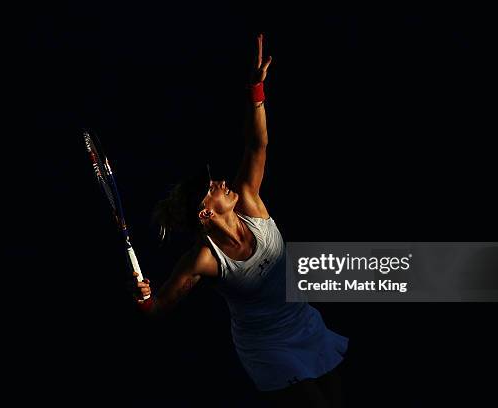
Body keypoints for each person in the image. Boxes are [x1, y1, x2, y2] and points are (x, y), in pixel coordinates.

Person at [133, 34, 348, 407]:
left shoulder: (248, 199)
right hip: (267, 346)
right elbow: (160, 308)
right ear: (206, 212)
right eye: (210, 187)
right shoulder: (204, 259)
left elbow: (256, 144)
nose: (218, 182)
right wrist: (145, 299)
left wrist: (256, 88)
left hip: (303, 322)